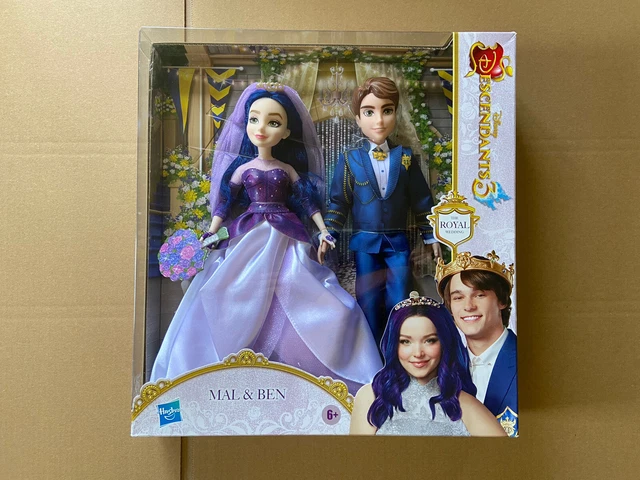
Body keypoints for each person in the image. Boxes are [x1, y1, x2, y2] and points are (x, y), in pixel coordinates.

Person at [150, 83, 382, 392]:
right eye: (254, 119)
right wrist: (211, 231)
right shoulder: (243, 169)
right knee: (233, 287)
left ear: (286, 132)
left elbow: (307, 202)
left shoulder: (286, 169)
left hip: (286, 233)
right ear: (245, 124)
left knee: (296, 285)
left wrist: (323, 229)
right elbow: (224, 204)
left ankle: (311, 364)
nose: (261, 128)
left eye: (273, 122)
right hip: (249, 233)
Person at [322, 77, 442, 349]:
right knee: (368, 301)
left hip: (397, 243)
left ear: (395, 114)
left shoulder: (405, 157)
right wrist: (329, 234)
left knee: (400, 300)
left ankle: (396, 353)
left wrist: (430, 235)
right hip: (365, 243)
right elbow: (338, 202)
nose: (378, 120)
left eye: (387, 111)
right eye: (369, 112)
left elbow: (421, 200)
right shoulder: (350, 159)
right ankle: (370, 354)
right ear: (357, 118)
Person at [349, 291, 506, 436]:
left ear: (445, 343)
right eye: (405, 341)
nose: (418, 353)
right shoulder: (372, 397)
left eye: (429, 340)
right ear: (394, 346)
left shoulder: (465, 405)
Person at [436, 251, 518, 437]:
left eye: (479, 295)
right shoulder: (441, 371)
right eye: (458, 298)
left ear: (502, 301)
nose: (468, 306)